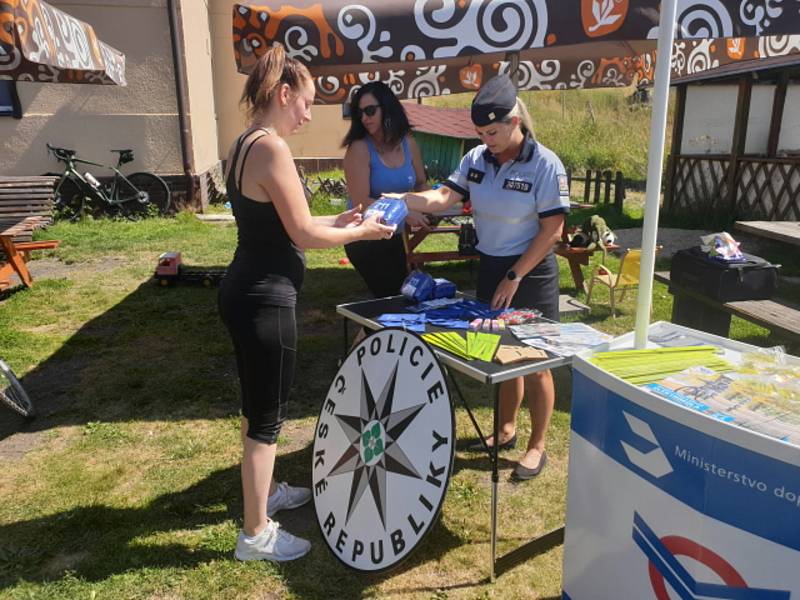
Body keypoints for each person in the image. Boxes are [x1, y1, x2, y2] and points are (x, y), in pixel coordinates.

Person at [218, 45, 395, 563]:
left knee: (257, 407)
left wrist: (338, 223)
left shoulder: (245, 142)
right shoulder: (270, 147)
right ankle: (255, 534)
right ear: (283, 93)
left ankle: (266, 493)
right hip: (263, 298)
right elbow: (300, 233)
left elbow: (290, 224)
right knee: (267, 419)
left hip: (247, 289)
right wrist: (361, 230)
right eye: (306, 104)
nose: (308, 115)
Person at [389, 74, 570, 480]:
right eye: (480, 133)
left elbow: (553, 231)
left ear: (514, 121)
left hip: (531, 272)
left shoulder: (545, 164)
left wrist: (515, 276)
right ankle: (505, 429)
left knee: (536, 361)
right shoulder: (475, 160)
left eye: (493, 131)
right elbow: (443, 198)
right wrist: (402, 199)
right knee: (501, 352)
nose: (486, 139)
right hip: (492, 267)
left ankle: (537, 446)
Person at [342, 81, 430, 298]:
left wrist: (427, 205)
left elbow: (421, 182)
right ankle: (374, 332)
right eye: (359, 112)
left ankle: (373, 332)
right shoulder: (359, 148)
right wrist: (406, 211)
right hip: (364, 237)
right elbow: (361, 201)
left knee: (399, 299)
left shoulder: (408, 142)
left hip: (394, 235)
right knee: (391, 300)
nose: (364, 118)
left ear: (387, 108)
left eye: (370, 110)